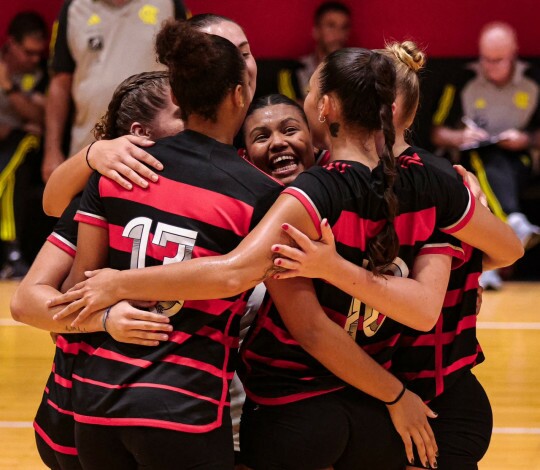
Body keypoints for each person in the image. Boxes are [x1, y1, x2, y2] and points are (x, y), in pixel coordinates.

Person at [49, 47, 522, 468]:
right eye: (261, 135)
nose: (278, 142)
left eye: (293, 123)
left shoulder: (309, 195)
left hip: (313, 401)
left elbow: (253, 284)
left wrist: (116, 283)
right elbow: (466, 279)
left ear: (323, 111)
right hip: (399, 398)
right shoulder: (437, 180)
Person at [47, 21, 282, 469]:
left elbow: (79, 288)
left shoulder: (119, 172)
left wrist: (118, 293)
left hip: (97, 405)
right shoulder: (260, 193)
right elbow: (242, 277)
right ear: (238, 95)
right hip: (184, 407)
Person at [273, 41, 493, 470]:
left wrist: (333, 267)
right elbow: (508, 250)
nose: (280, 141)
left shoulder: (425, 183)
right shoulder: (424, 180)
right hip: (382, 392)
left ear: (325, 107)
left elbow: (505, 252)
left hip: (420, 393)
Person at [11, 70, 184, 470]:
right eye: (182, 113)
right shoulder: (103, 194)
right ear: (139, 133)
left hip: (170, 408)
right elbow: (26, 301)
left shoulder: (224, 181)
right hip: (80, 406)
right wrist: (104, 319)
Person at [42, 13, 256, 218]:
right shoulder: (146, 156)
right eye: (220, 56)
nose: (240, 67)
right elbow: (53, 205)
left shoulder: (266, 127)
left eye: (244, 54)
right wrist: (92, 153)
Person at [431, 21, 540, 290]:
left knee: (493, 166)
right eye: (486, 59)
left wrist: (526, 139)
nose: (491, 67)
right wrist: (459, 137)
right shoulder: (463, 80)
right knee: (478, 167)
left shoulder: (534, 81)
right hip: (470, 158)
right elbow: (436, 131)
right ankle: (512, 223)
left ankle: (483, 267)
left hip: (519, 160)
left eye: (498, 60)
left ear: (513, 52)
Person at [41, 0, 187, 183]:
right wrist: (52, 150)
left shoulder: (169, 4)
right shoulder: (74, 8)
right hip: (87, 150)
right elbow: (60, 82)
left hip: (155, 150)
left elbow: (186, 72)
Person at [0, 11, 48, 278]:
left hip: (23, 148)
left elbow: (38, 118)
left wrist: (8, 87)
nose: (33, 60)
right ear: (12, 44)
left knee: (20, 146)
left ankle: (13, 250)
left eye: (37, 54)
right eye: (28, 53)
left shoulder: (41, 76)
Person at [296, 1, 351, 99]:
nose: (338, 34)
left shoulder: (354, 71)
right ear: (316, 31)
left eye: (344, 27)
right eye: (331, 26)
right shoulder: (297, 69)